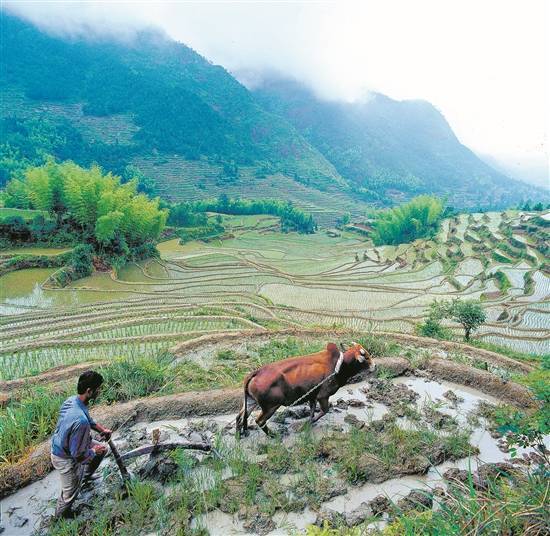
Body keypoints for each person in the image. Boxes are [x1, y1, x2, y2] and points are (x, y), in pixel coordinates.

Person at [50, 370, 113, 518]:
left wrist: (102, 430)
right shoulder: (80, 422)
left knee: (103, 449)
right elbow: (77, 455)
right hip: (64, 456)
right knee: (69, 494)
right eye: (98, 389)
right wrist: (93, 452)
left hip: (69, 442)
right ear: (89, 391)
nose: (100, 392)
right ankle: (59, 518)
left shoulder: (73, 401)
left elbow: (88, 420)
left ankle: (85, 477)